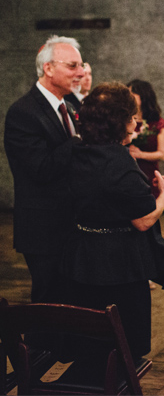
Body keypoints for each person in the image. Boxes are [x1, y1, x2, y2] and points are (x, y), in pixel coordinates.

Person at [60, 82, 164, 359]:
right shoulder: (120, 162)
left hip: (82, 257)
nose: (136, 123)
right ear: (120, 122)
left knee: (88, 344)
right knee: (122, 347)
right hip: (118, 265)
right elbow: (143, 221)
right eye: (132, 117)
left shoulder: (77, 151)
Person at [4, 35, 83, 303]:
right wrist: (79, 139)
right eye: (72, 66)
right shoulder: (23, 112)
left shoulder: (68, 106)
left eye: (80, 65)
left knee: (72, 299)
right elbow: (40, 169)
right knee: (49, 300)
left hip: (70, 224)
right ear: (48, 68)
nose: (80, 73)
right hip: (44, 229)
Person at [127, 79, 164, 196]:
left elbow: (162, 154)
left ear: (143, 96)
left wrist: (140, 154)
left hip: (148, 173)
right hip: (127, 173)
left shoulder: (158, 124)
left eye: (132, 93)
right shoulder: (124, 121)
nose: (128, 97)